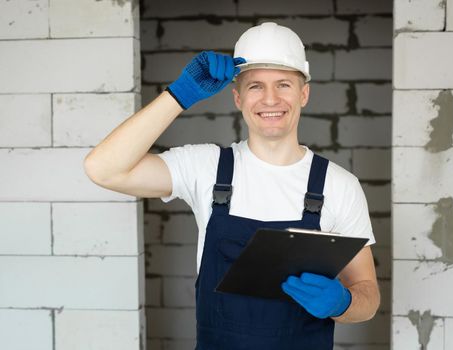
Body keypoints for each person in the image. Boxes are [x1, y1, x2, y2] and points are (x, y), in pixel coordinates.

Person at [84, 22, 380, 350]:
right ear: (237, 96)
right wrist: (178, 95)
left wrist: (344, 303)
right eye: (255, 86)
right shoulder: (206, 167)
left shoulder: (340, 186)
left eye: (283, 84)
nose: (270, 99)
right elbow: (104, 169)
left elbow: (368, 295)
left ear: (304, 93)